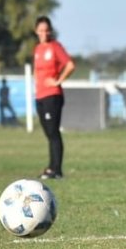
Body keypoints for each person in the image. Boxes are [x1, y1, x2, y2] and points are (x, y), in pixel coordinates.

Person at [33, 16, 75, 179]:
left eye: (46, 30)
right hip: (40, 96)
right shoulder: (37, 49)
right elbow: (37, 71)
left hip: (53, 95)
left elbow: (70, 65)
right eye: (41, 30)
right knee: (48, 133)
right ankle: (52, 167)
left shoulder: (55, 47)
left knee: (53, 132)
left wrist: (58, 80)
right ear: (36, 31)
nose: (44, 33)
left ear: (50, 31)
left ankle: (56, 169)